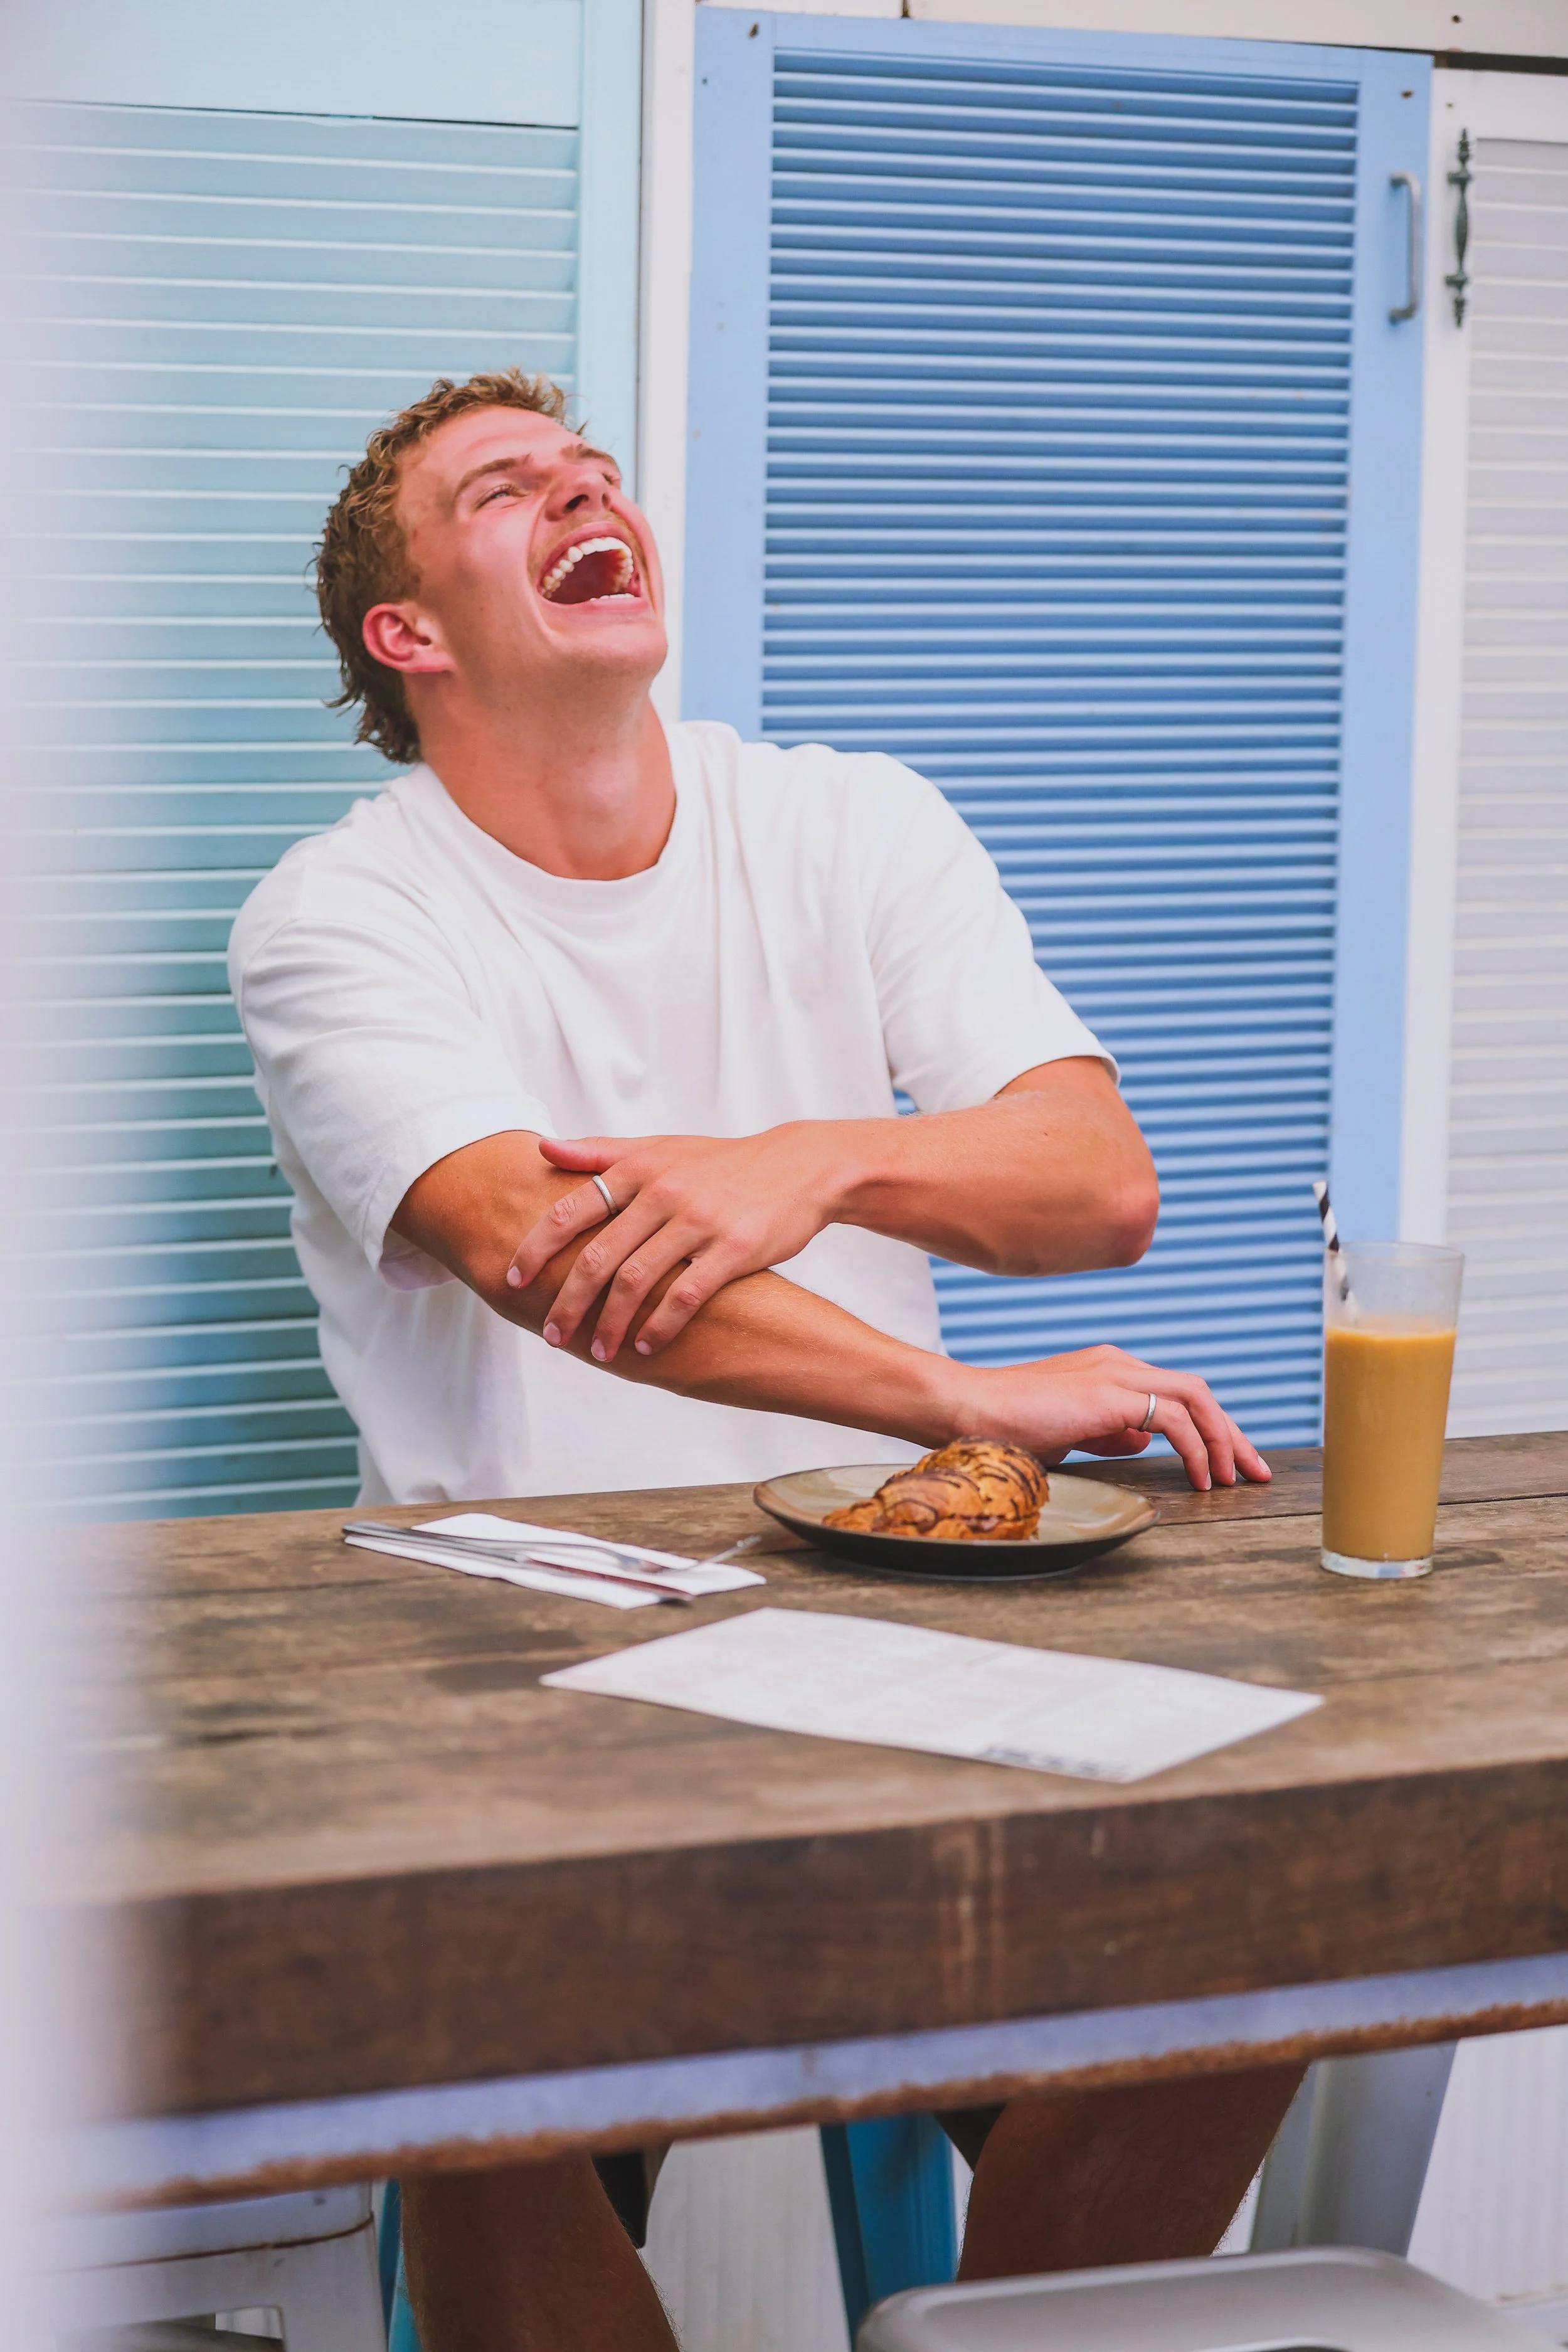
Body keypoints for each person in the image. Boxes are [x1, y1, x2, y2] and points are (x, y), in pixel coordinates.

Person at [230, 368, 1295, 2352]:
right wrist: (965, 1398)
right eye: (505, 489)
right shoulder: (337, 915)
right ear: (413, 634)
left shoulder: (847, 821)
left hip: (879, 1611)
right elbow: (542, 1258)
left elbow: (1097, 1182)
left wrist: (813, 1157)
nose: (582, 488)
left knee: (1261, 1950)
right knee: (472, 2085)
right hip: (507, 1662)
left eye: (593, 470)